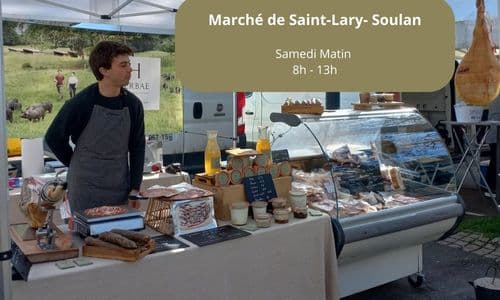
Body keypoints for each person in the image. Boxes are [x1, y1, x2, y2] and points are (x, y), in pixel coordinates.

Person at [45, 41, 145, 212]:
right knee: (85, 236)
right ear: (104, 70)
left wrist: (135, 187)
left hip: (119, 186)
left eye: (129, 64)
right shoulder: (81, 103)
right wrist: (75, 162)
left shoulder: (133, 104)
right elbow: (53, 138)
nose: (130, 69)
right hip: (85, 188)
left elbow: (137, 146)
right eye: (123, 65)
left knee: (119, 235)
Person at [485, 95, 500, 194]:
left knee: (495, 161)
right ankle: (491, 187)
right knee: (496, 161)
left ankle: (490, 187)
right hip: (496, 135)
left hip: (493, 135)